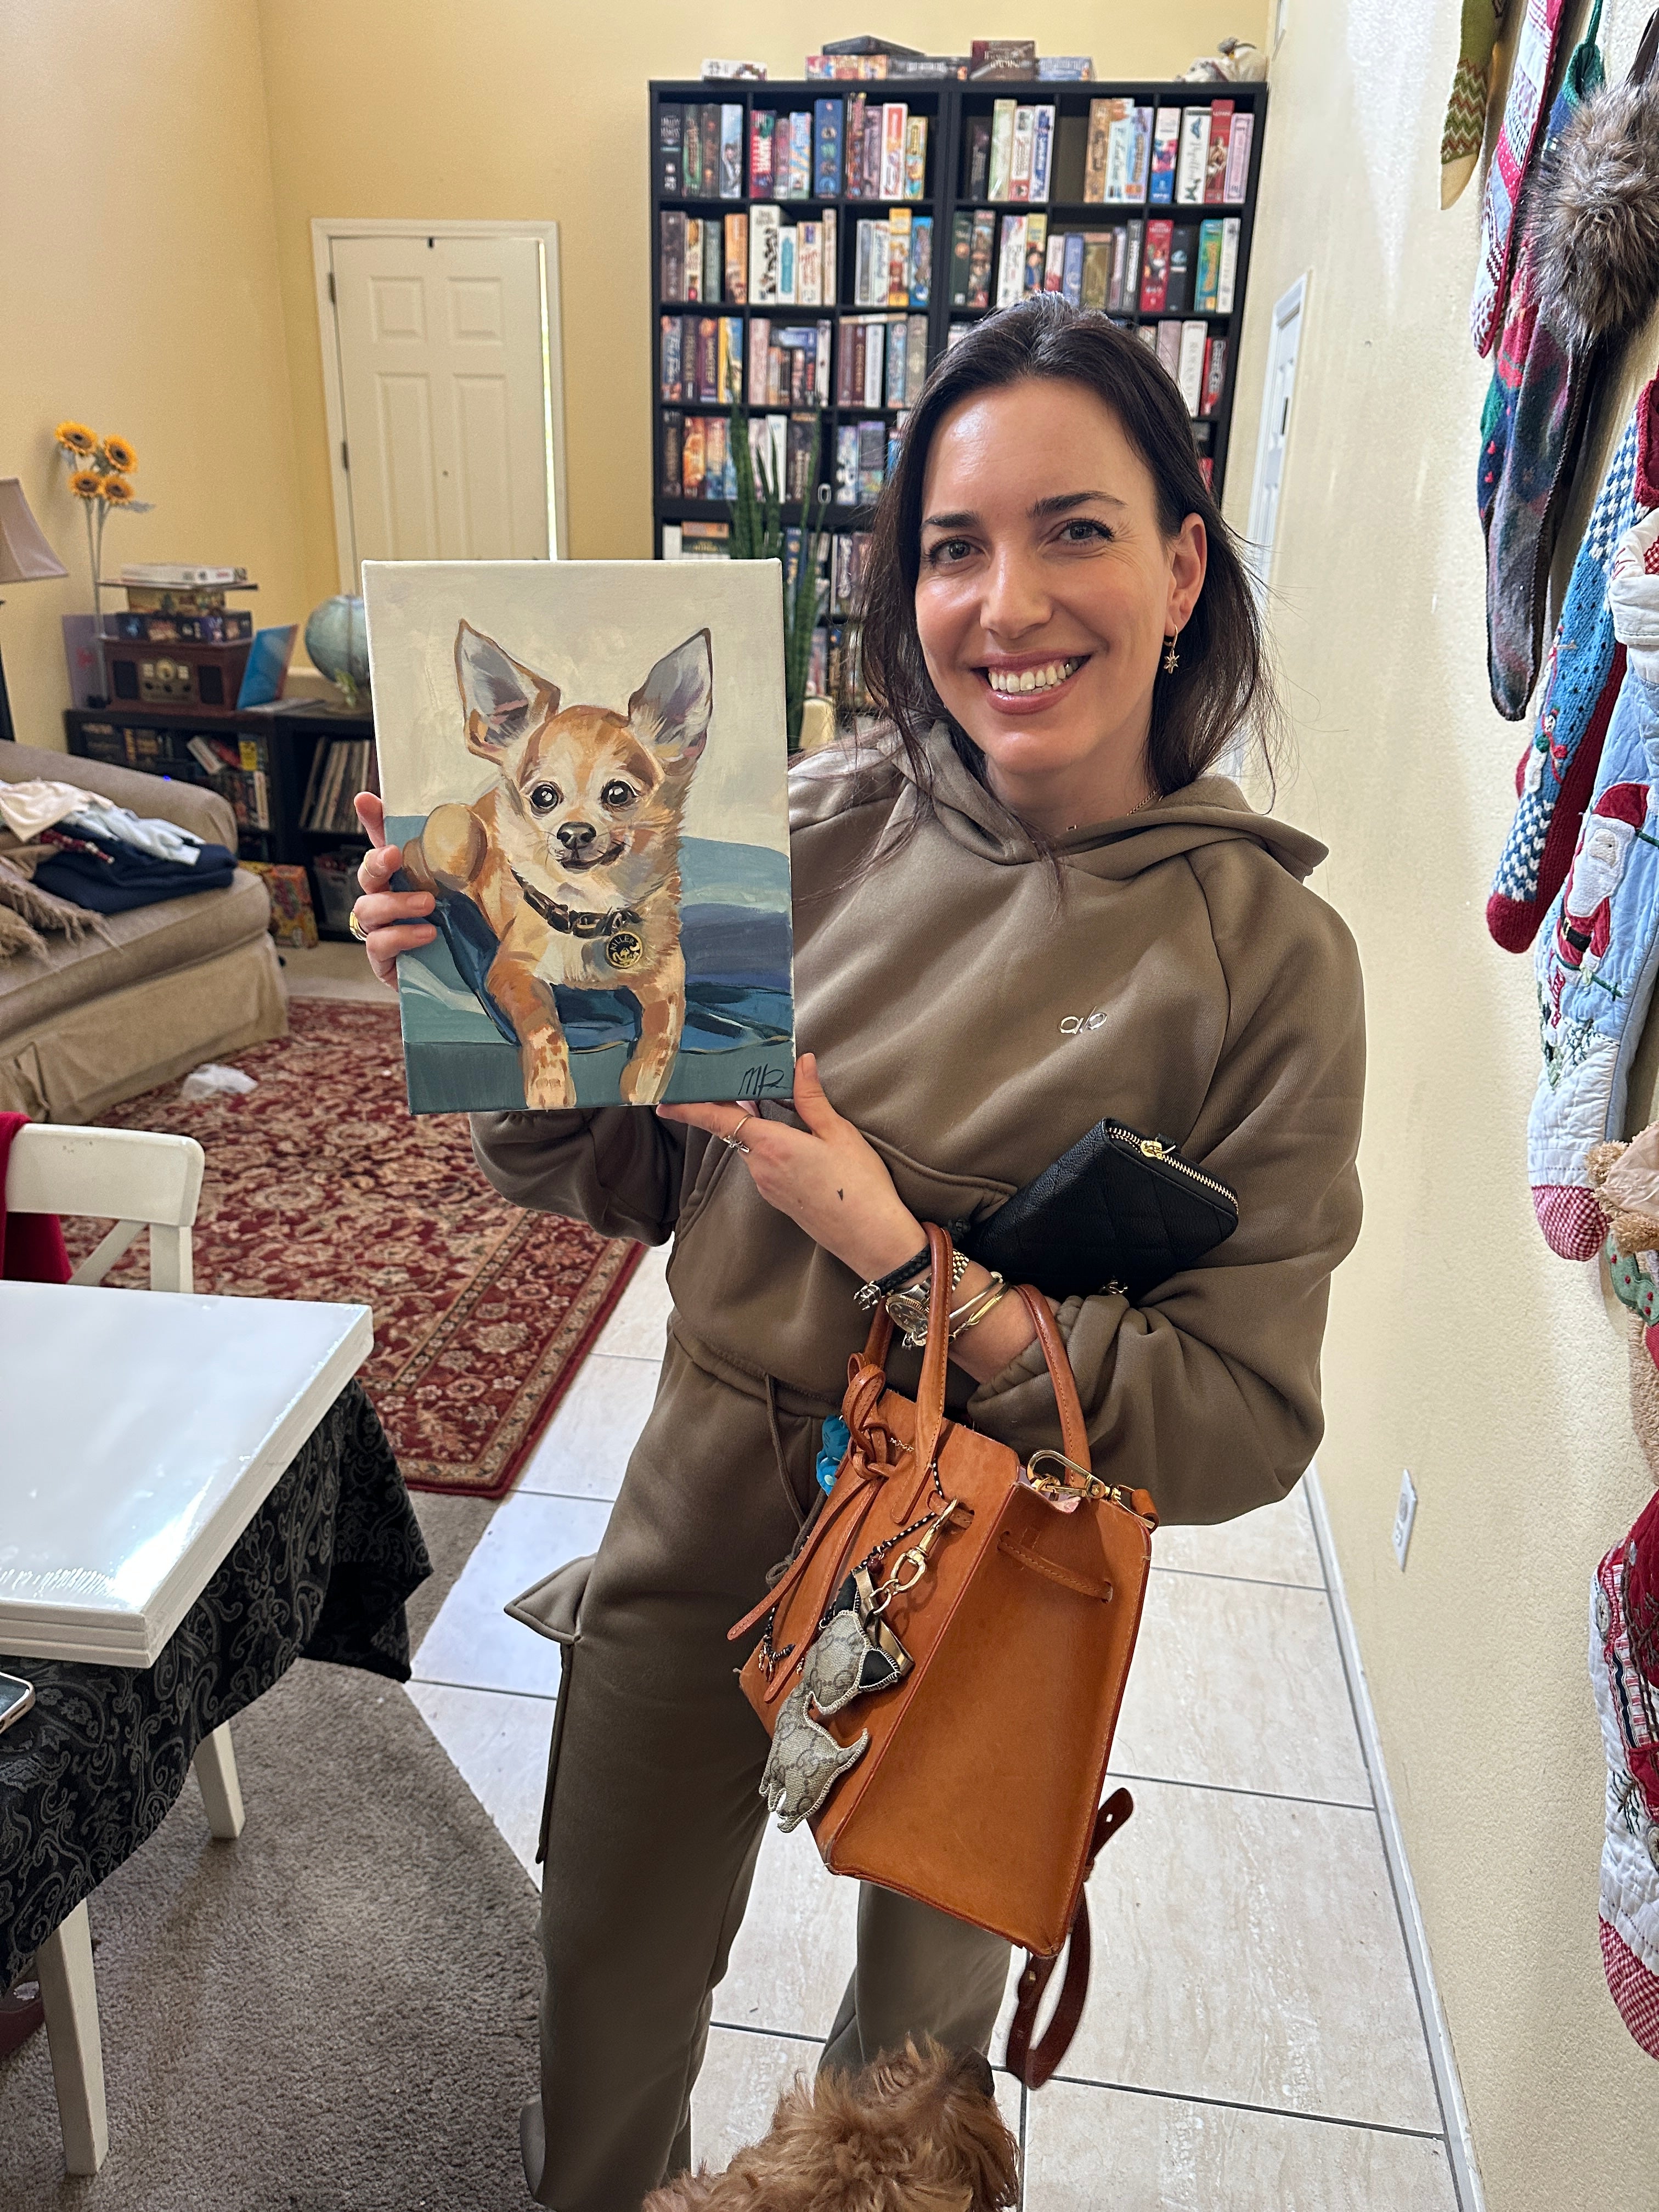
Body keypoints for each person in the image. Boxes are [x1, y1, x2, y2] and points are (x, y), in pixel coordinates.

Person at [351, 296, 1365, 2212]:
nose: (1009, 604)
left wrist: (909, 1265)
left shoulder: (1266, 963)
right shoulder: (795, 835)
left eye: (1075, 530)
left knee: (909, 2083)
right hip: (711, 1488)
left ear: (1180, 566)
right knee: (607, 1991)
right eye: (954, 547)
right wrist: (493, 1005)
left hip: (999, 1563)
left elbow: (1241, 1419)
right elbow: (617, 1170)